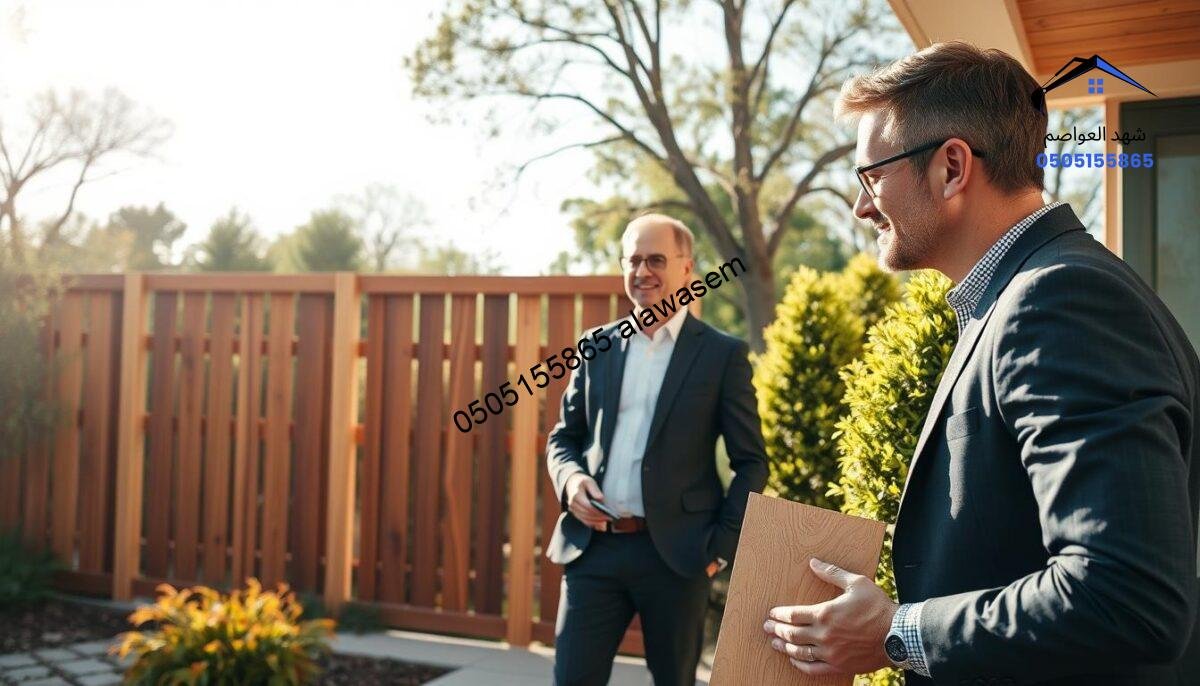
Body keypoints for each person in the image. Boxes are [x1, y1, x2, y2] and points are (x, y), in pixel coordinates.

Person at [761, 41, 1200, 684]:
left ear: (952, 167)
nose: (860, 207)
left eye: (870, 177)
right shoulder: (1028, 296)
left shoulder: (1059, 302)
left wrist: (895, 633)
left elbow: (1126, 596)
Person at [546, 213, 769, 685]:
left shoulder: (721, 355)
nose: (642, 272)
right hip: (594, 551)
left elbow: (751, 464)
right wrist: (570, 480)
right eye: (633, 260)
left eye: (656, 260)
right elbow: (563, 438)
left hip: (678, 558)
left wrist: (718, 551)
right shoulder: (595, 346)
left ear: (687, 269)